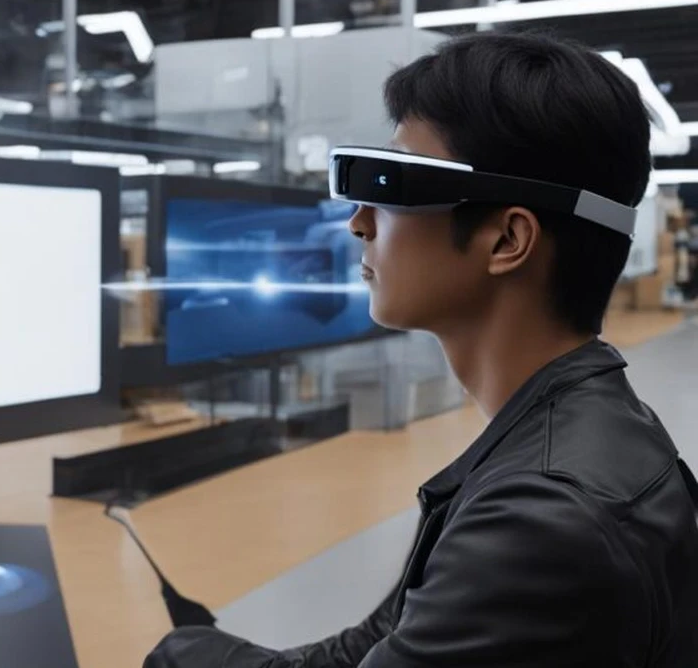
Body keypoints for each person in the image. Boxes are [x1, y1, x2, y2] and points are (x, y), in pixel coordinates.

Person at [144, 32, 698, 667]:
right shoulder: (569, 433)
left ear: (507, 240)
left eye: (391, 181)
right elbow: (379, 642)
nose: (359, 221)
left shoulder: (544, 520)